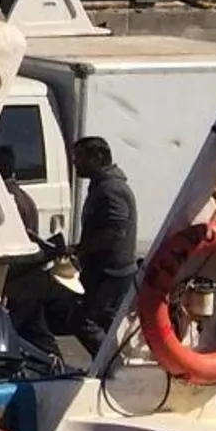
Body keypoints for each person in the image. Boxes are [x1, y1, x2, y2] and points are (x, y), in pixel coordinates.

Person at [68, 136, 139, 341]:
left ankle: (107, 366)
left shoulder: (111, 189)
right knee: (110, 325)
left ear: (98, 157)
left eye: (80, 157)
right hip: (107, 271)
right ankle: (112, 365)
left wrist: (82, 249)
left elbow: (116, 232)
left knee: (83, 321)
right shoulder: (101, 186)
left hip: (111, 273)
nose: (75, 162)